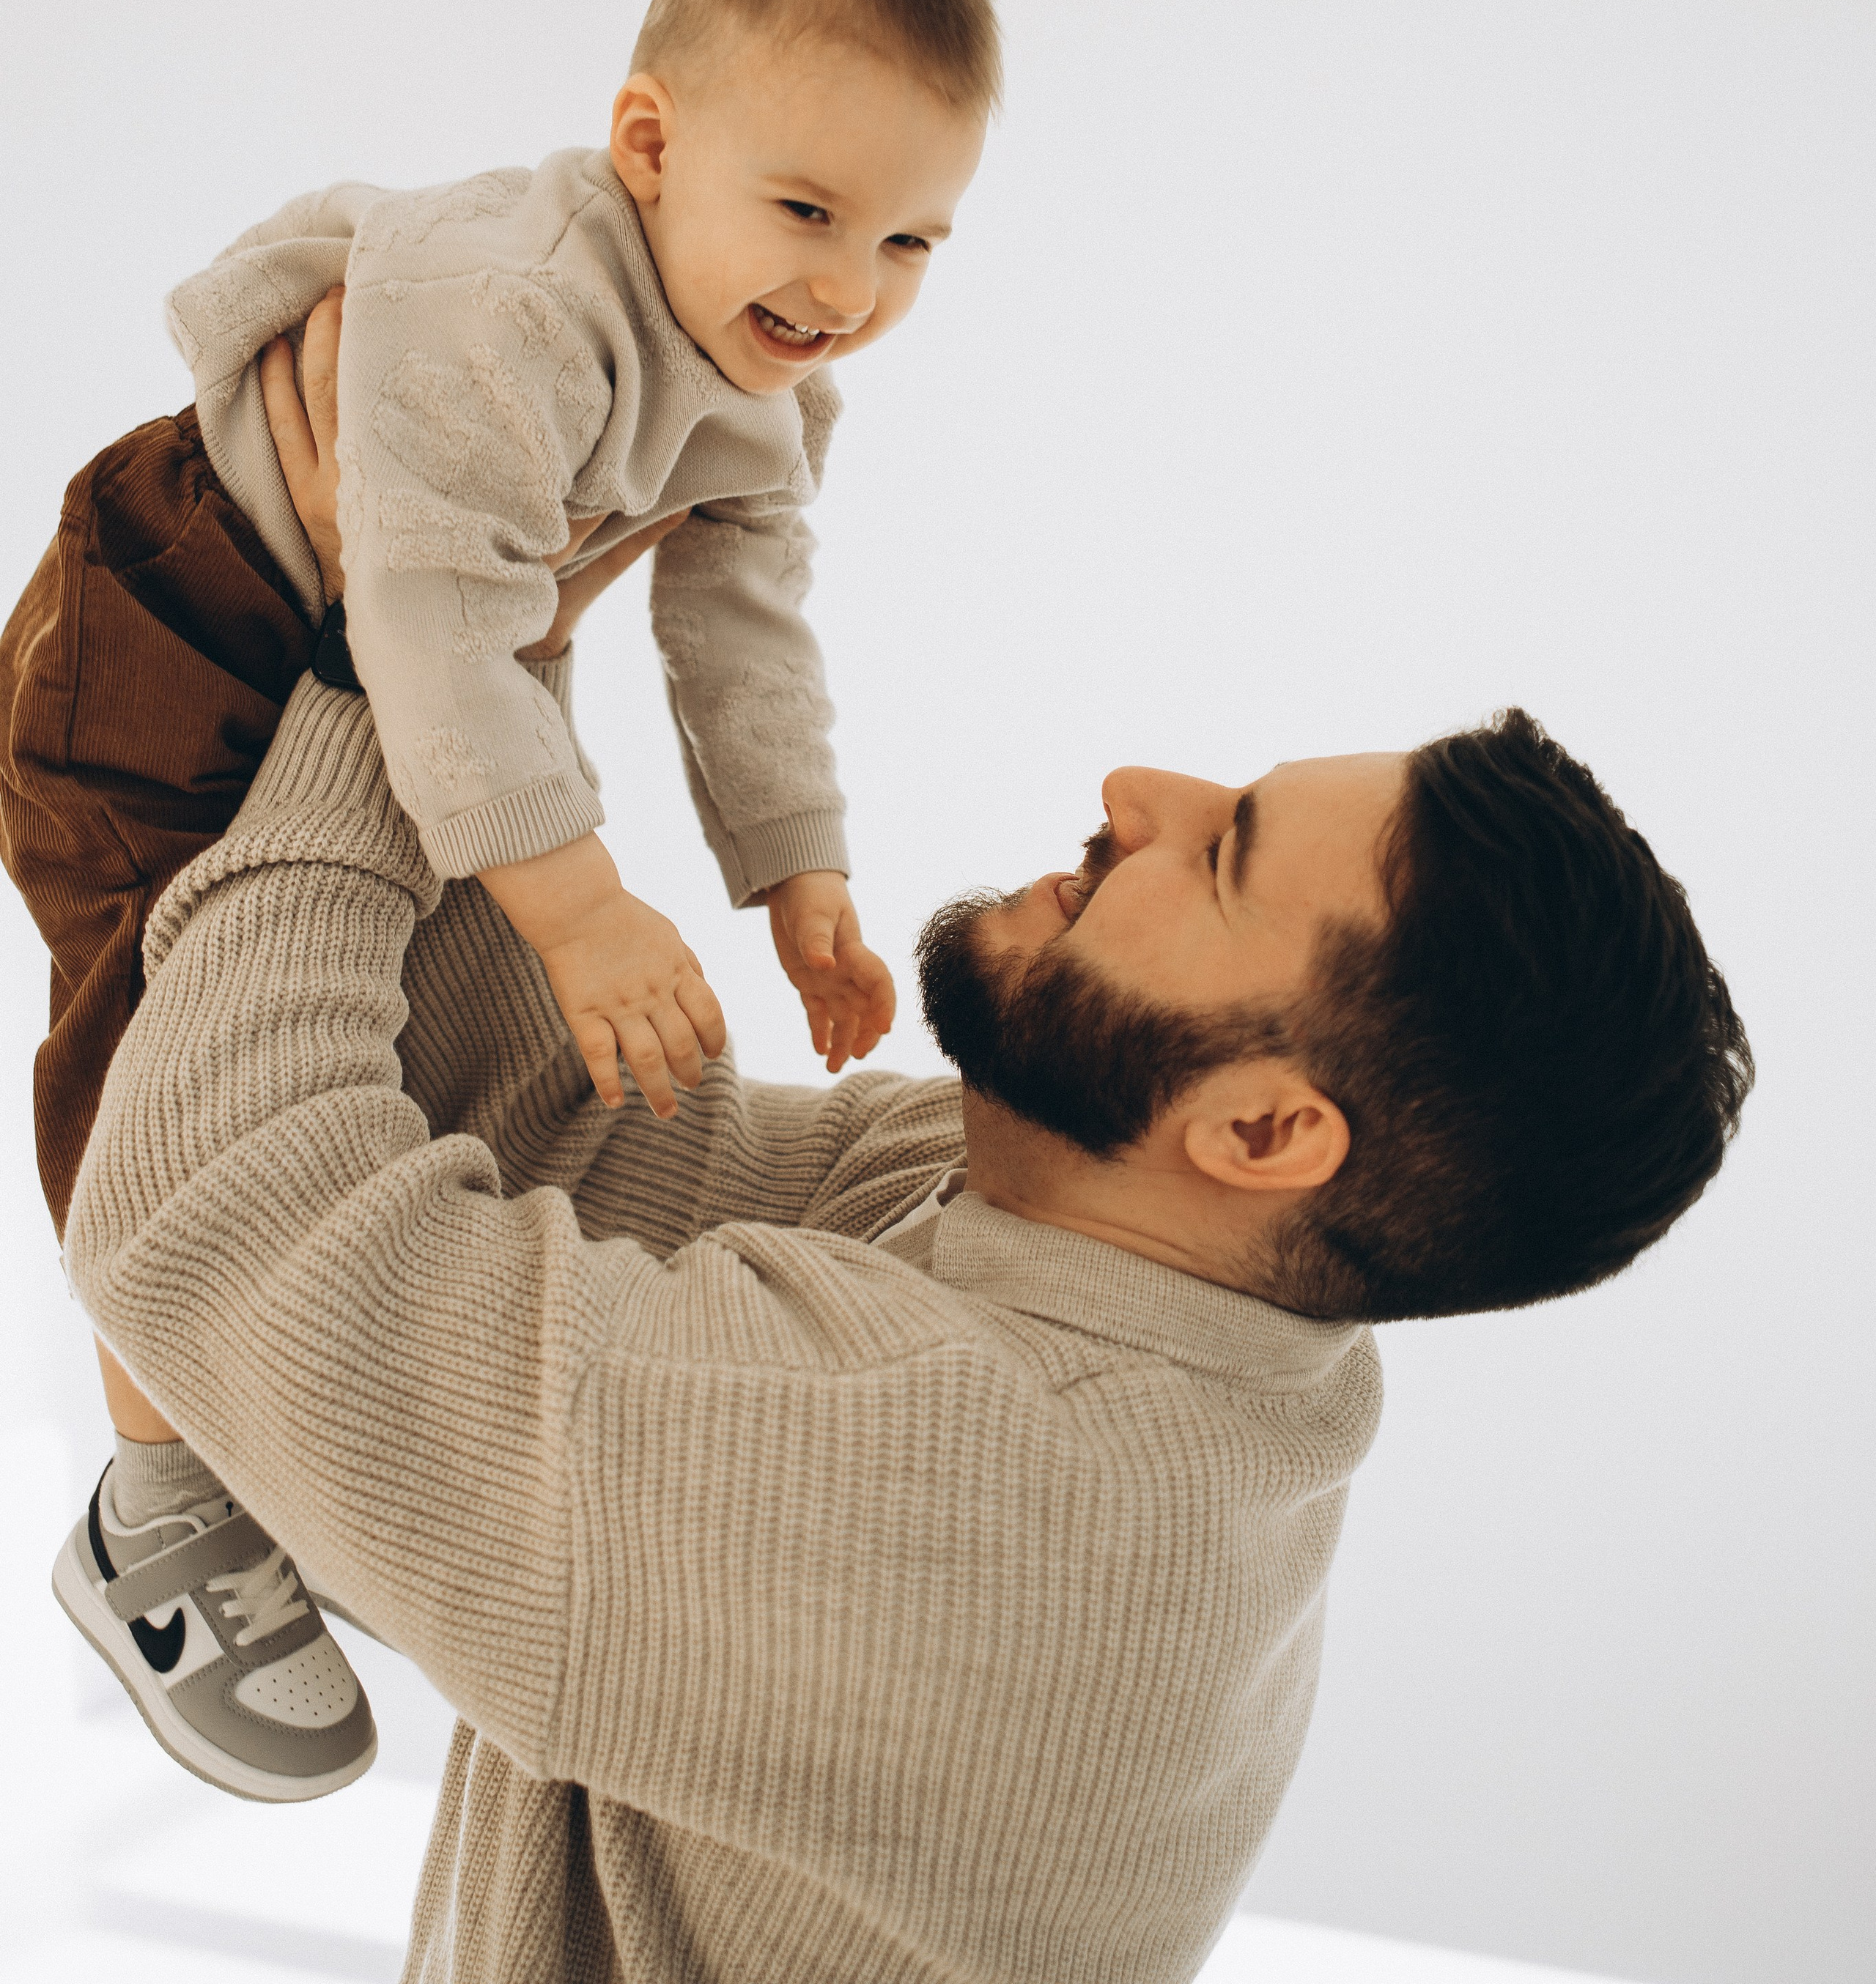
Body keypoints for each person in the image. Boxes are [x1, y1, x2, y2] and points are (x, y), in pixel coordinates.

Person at [59, 322, 1751, 1983]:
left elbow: (210, 1223)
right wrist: (482, 656)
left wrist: (388, 666)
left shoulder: (969, 1496)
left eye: (1222, 852)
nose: (1137, 785)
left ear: (1258, 1130)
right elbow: (542, 1141)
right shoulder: (1099, 1261)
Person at [1, 0, 997, 1799]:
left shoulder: (763, 388)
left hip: (366, 653)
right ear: (648, 141)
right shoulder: (507, 298)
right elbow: (441, 621)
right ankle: (153, 1503)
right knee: (162, 1049)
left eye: (909, 244)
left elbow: (744, 627)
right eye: (806, 208)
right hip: (171, 626)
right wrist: (581, 905)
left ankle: (277, 1437)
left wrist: (803, 876)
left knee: (402, 1017)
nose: (847, 288)